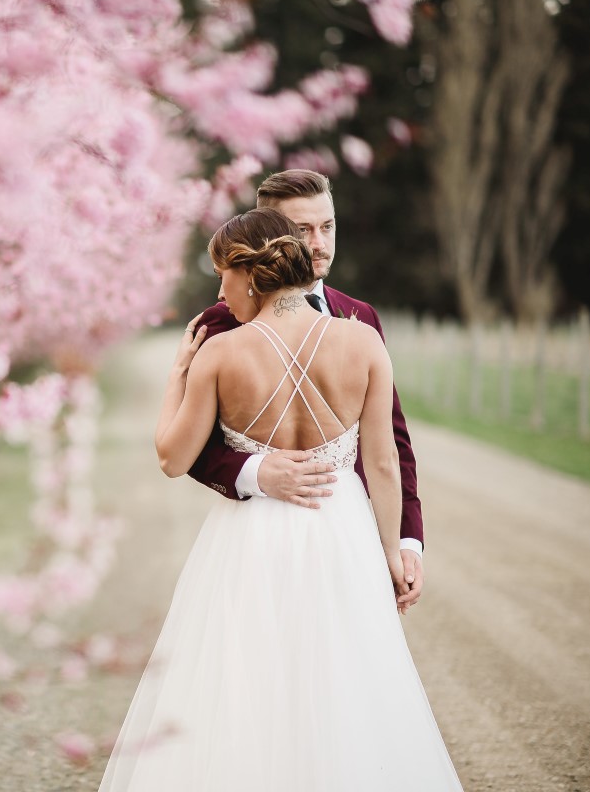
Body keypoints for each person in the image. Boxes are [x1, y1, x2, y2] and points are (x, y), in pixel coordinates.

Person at [97, 207, 461, 790]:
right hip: (342, 532)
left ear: (249, 274)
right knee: (348, 680)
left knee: (246, 680)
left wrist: (177, 376)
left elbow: (172, 457)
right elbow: (383, 463)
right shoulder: (363, 341)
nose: (220, 292)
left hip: (251, 539)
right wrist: (393, 553)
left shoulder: (219, 354)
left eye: (223, 276)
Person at [187, 169, 425, 614]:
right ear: (269, 236)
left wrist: (405, 540)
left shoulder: (360, 316)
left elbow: (392, 443)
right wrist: (255, 472)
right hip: (256, 532)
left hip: (347, 533)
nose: (319, 243)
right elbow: (191, 444)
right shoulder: (220, 322)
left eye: (327, 226)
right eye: (303, 230)